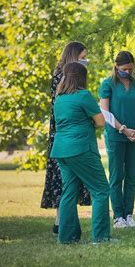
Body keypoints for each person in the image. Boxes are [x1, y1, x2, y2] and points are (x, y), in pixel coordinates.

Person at [50, 62, 111, 244]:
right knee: (101, 190)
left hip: (61, 150)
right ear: (81, 78)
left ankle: (67, 238)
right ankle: (100, 237)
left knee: (69, 191)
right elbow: (100, 122)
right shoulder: (83, 95)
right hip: (81, 148)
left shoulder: (59, 98)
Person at [41, 41, 91, 234]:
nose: (85, 61)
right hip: (64, 133)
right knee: (64, 179)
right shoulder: (63, 78)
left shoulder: (64, 77)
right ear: (73, 57)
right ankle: (61, 221)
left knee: (66, 180)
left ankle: (61, 221)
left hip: (63, 133)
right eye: (82, 58)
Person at [98, 51, 135, 229]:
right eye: (124, 69)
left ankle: (129, 214)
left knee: (131, 177)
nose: (127, 71)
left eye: (130, 68)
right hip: (115, 136)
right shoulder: (107, 84)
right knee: (116, 176)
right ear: (116, 67)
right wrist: (123, 129)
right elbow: (105, 112)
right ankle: (118, 216)